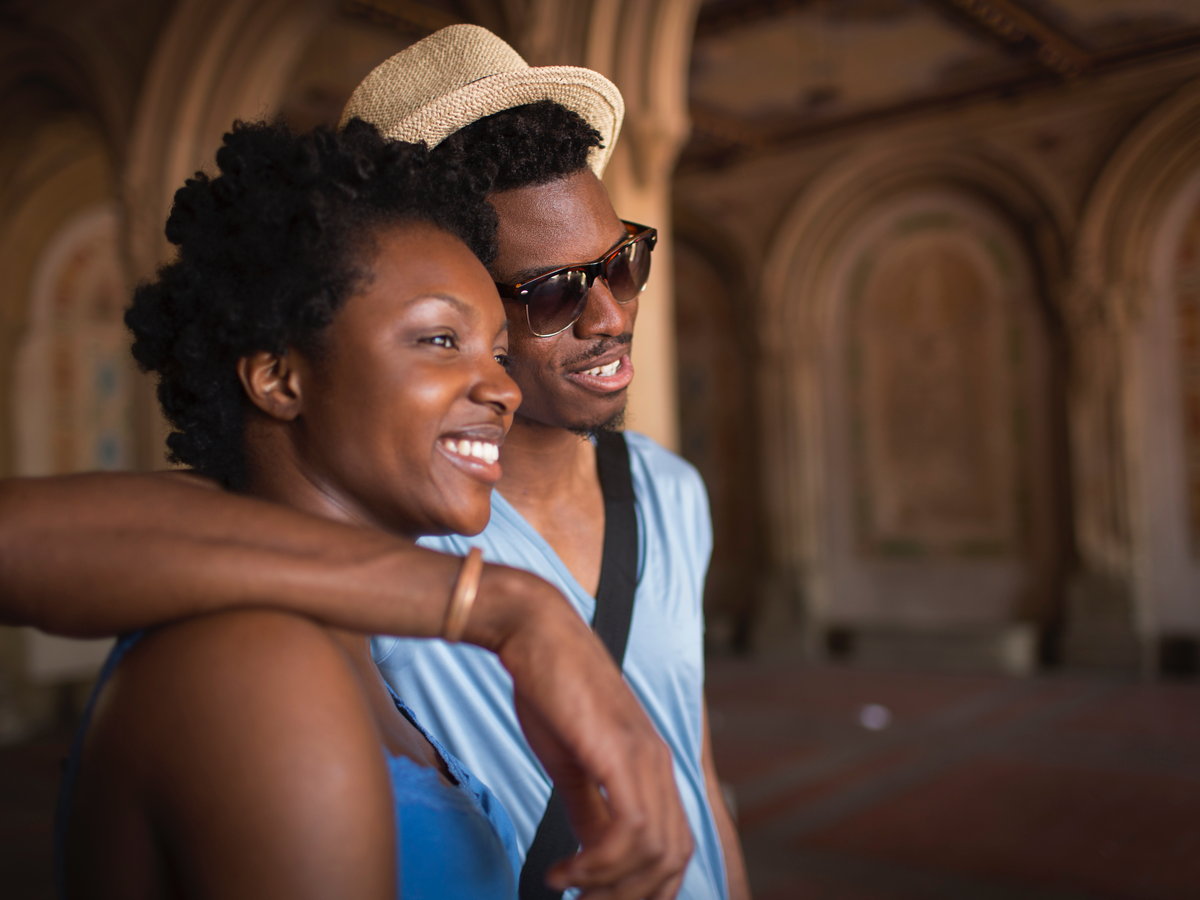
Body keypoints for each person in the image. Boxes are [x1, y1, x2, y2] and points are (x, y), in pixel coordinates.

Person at [0, 23, 748, 900]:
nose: (611, 315)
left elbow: (691, 767)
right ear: (280, 373)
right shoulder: (299, 614)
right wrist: (509, 608)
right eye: (444, 336)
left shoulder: (656, 492)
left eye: (623, 264)